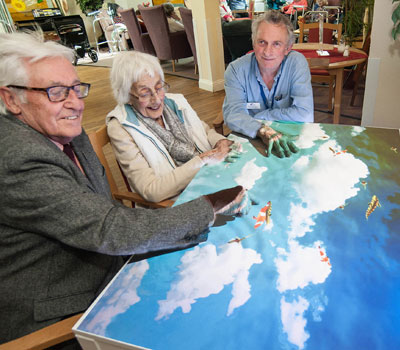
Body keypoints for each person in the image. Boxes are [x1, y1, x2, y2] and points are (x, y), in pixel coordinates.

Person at [0, 31, 246, 347]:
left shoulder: (67, 132)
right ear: (11, 99)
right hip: (63, 315)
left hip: (110, 262)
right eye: (58, 92)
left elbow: (105, 217)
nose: (76, 103)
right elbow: (110, 228)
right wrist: (209, 205)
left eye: (76, 89)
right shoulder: (18, 157)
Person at [107, 50, 234, 203]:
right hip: (174, 204)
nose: (157, 99)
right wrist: (202, 161)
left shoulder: (175, 102)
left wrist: (218, 141)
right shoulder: (121, 128)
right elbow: (151, 190)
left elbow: (203, 130)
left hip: (207, 180)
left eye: (159, 87)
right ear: (126, 96)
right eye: (145, 93)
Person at [223, 10, 313, 157]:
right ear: (253, 42)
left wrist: (259, 117)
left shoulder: (297, 63)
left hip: (288, 137)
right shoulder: (235, 70)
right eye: (262, 42)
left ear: (287, 48)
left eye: (276, 44)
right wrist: (260, 129)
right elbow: (233, 115)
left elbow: (305, 114)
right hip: (251, 140)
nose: (267, 51)